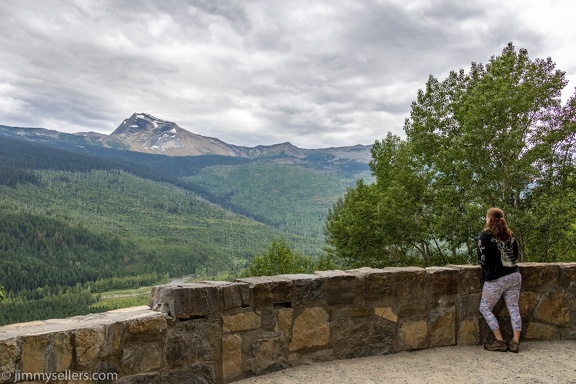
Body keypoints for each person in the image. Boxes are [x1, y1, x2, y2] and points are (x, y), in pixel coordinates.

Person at [477, 207, 522, 353]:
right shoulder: (510, 235)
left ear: (489, 219)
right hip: (514, 276)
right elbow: (514, 255)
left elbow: (482, 258)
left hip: (496, 278)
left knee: (484, 308)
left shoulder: (485, 235)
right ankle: (515, 342)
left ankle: (499, 341)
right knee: (513, 308)